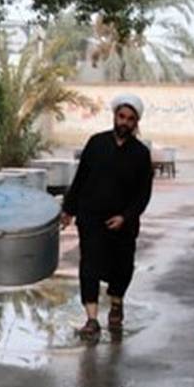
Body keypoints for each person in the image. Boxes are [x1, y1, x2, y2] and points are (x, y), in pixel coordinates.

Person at [60, 94, 153, 336]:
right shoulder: (96, 143)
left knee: (122, 268)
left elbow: (143, 195)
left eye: (130, 119)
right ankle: (91, 320)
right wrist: (69, 209)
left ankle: (116, 303)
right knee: (89, 266)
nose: (125, 122)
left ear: (136, 123)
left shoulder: (141, 154)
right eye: (121, 117)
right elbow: (80, 179)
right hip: (91, 218)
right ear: (114, 116)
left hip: (124, 224)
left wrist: (126, 217)